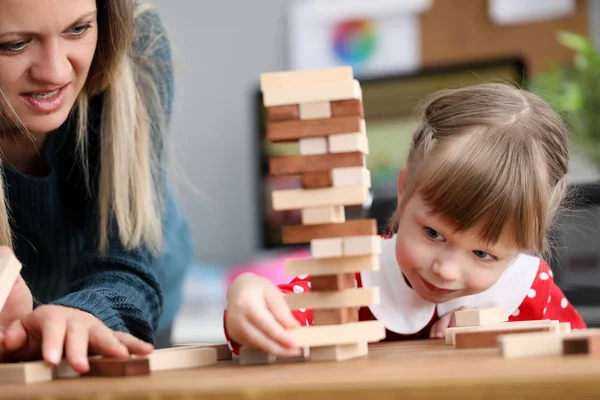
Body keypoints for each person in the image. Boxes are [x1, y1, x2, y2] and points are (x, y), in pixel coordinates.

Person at [223, 82, 588, 358]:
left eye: (483, 254)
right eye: (433, 233)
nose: (446, 270)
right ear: (403, 189)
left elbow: (578, 361)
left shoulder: (527, 287)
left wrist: (502, 333)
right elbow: (276, 323)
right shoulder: (355, 275)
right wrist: (248, 296)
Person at [0, 0, 193, 372]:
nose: (55, 72)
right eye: (14, 44)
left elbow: (129, 263)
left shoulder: (139, 47)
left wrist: (87, 313)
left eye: (78, 29)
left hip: (131, 305)